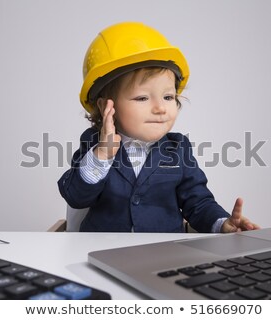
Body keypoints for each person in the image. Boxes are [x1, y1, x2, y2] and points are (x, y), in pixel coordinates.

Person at [58, 22, 259, 233]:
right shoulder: (94, 143)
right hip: (102, 250)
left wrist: (222, 224)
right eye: (143, 97)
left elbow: (198, 203)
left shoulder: (178, 148)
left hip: (165, 253)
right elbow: (76, 197)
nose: (160, 108)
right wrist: (102, 154)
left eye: (168, 96)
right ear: (106, 106)